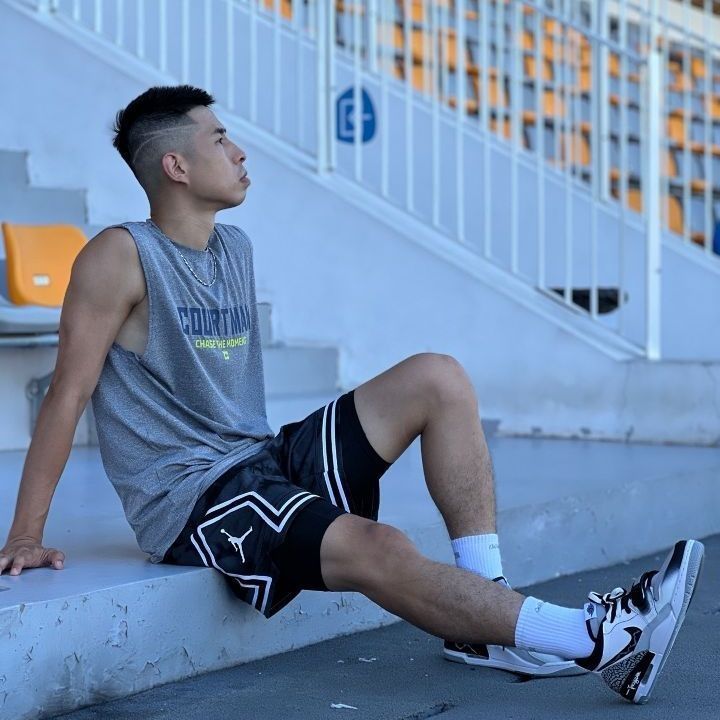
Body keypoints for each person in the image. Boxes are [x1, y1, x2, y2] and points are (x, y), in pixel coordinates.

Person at [0, 85, 704, 705]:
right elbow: (67, 393)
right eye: (219, 139)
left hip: (261, 460)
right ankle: (595, 637)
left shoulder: (233, 247)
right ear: (176, 166)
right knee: (380, 545)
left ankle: (485, 622)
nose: (239, 152)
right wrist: (26, 534)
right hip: (195, 500)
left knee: (438, 376)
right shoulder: (119, 255)